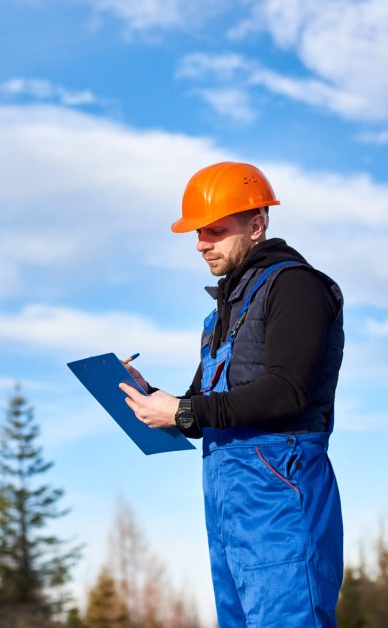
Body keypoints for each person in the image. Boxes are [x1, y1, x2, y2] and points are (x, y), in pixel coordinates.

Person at [119, 161, 344, 628]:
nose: (201, 244)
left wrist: (182, 412)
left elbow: (288, 390)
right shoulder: (225, 308)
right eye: (197, 233)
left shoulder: (296, 286)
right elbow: (200, 411)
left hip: (279, 495)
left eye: (215, 231)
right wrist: (152, 396)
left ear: (257, 224)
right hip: (228, 503)